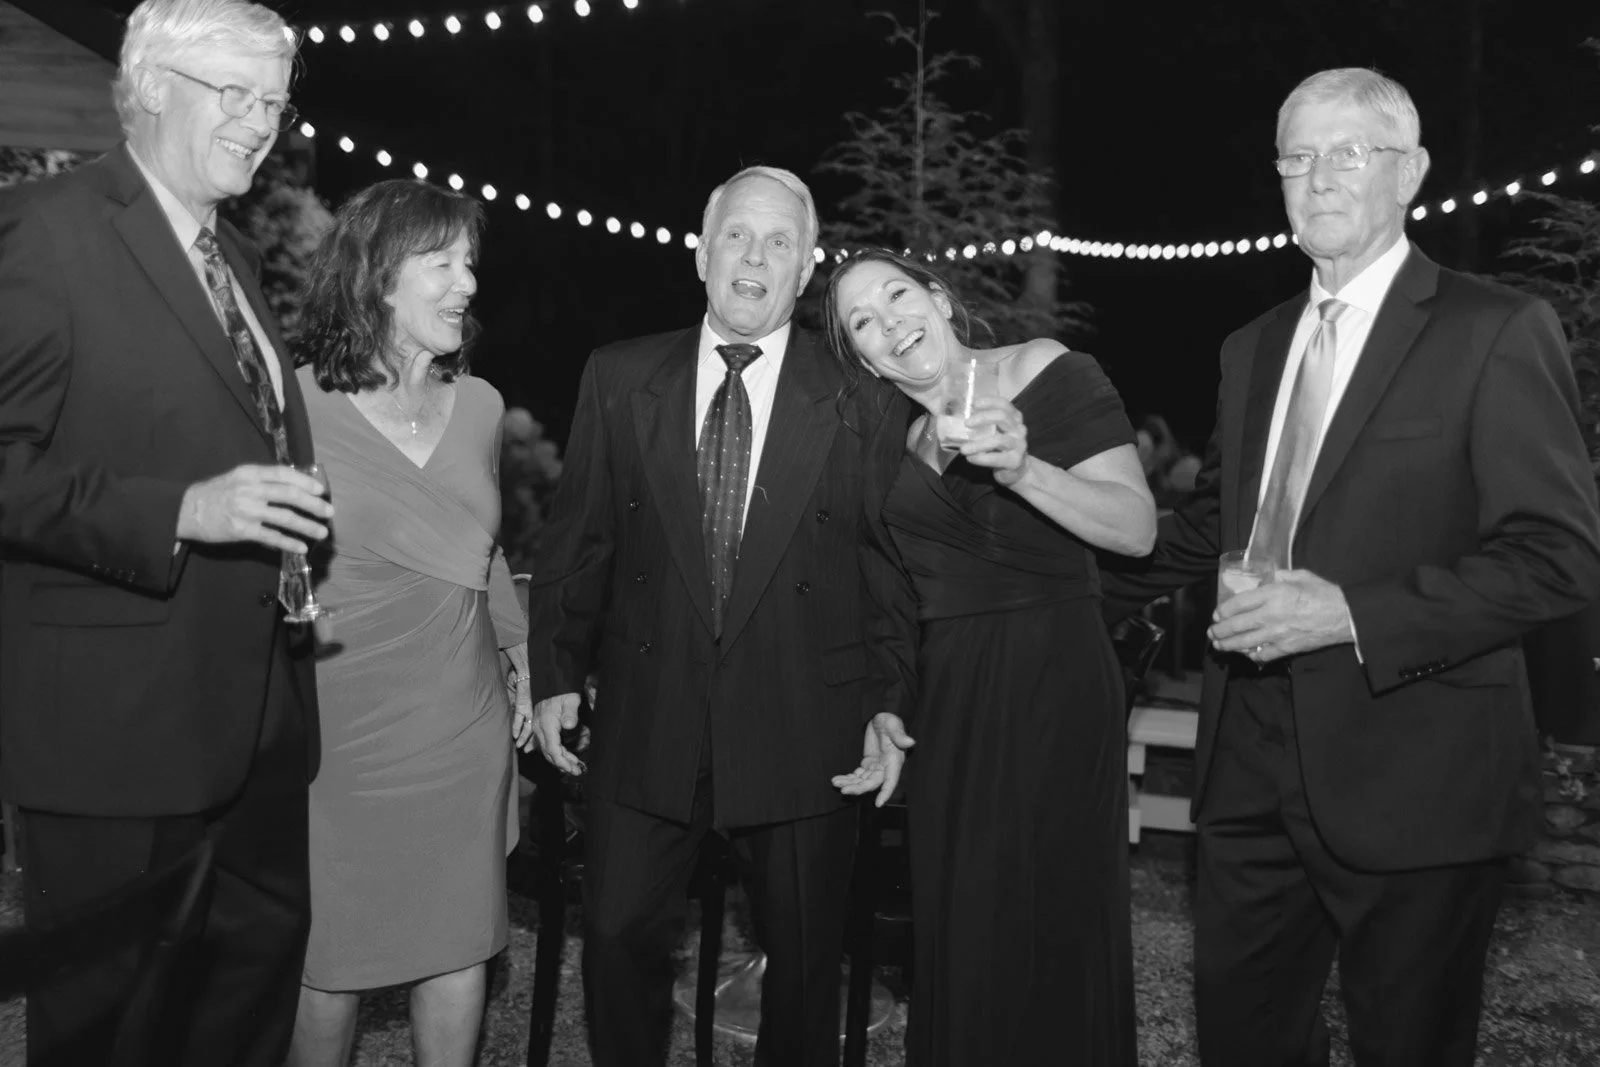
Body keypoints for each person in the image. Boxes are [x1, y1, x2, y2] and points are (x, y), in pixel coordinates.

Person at [1101, 67, 1600, 1065]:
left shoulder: (1490, 328)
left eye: (1347, 152)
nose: (1317, 176)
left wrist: (1348, 614)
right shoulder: (1253, 345)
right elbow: (1212, 527)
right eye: (1296, 156)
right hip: (1246, 766)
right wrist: (1030, 539)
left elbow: (1558, 557)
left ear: (1409, 171)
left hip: (1417, 767)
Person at [0, 2, 331, 1064]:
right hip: (112, 743)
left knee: (238, 1025)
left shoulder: (229, 255)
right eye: (231, 93)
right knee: (106, 1033)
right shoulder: (46, 228)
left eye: (273, 102)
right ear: (146, 86)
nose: (259, 122)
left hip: (259, 740)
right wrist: (181, 510)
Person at [525, 165, 908, 1067]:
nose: (755, 256)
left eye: (781, 242)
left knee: (807, 971)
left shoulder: (861, 397)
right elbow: (577, 541)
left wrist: (892, 699)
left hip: (809, 721)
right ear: (703, 253)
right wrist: (552, 675)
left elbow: (887, 566)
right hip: (649, 713)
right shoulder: (620, 377)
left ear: (807, 268)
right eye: (738, 234)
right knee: (615, 941)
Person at [823, 249, 1155, 1065]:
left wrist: (1024, 468)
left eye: (897, 295)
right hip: (957, 697)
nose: (890, 322)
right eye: (863, 321)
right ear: (862, 355)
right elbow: (890, 598)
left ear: (938, 297)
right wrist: (888, 704)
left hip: (1057, 679)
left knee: (1055, 912)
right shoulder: (882, 445)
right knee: (964, 914)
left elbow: (1135, 527)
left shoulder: (1045, 369)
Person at [286, 179, 533, 1067]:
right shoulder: (293, 405)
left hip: (460, 724)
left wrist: (518, 644)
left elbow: (484, 544)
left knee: (458, 949)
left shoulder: (482, 406)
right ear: (380, 276)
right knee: (328, 967)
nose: (467, 282)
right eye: (443, 262)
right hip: (337, 730)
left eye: (470, 262)